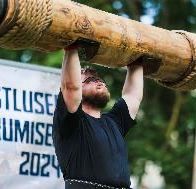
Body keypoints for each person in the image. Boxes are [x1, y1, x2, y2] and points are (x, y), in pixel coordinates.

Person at [52, 45, 143, 189]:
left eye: (98, 79)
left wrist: (137, 61)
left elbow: (133, 96)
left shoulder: (114, 122)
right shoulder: (71, 123)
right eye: (89, 80)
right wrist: (72, 45)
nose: (97, 81)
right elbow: (71, 86)